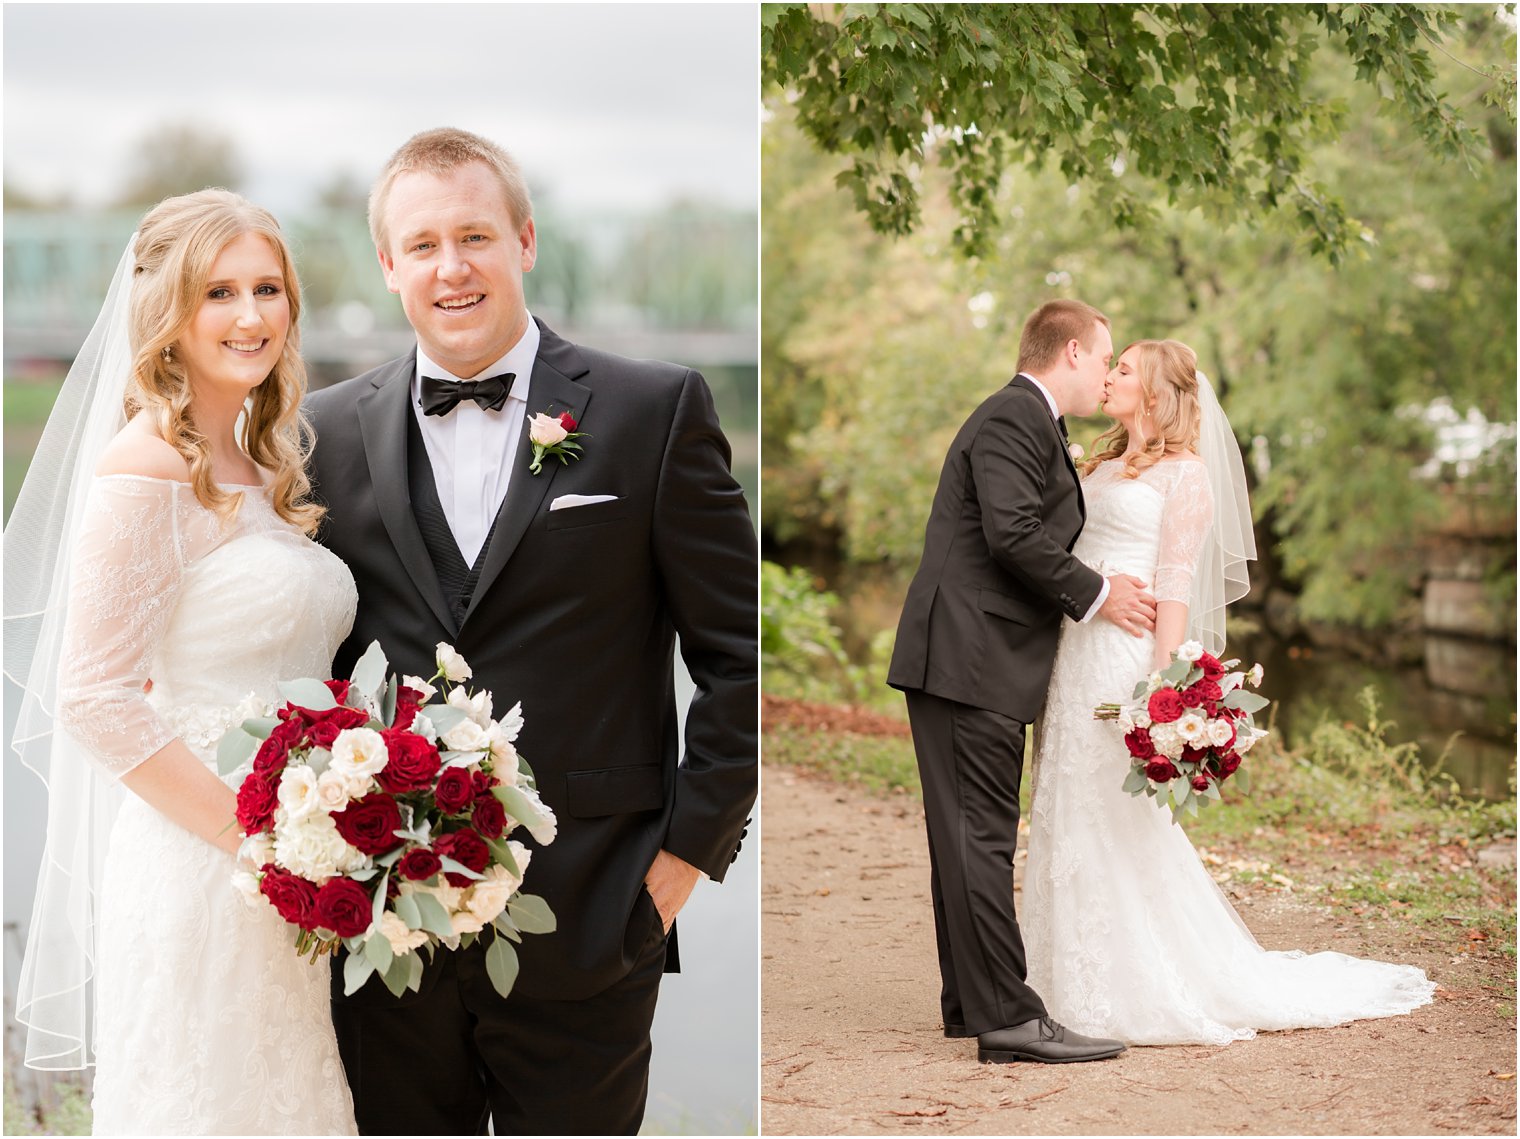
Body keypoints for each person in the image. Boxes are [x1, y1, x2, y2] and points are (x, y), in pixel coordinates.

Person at [305, 127, 757, 1135]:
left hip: (595, 911)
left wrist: (686, 854)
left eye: (474, 235)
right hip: (386, 924)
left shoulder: (653, 408)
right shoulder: (322, 433)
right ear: (387, 264)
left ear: (524, 239)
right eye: (421, 244)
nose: (451, 266)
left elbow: (738, 653)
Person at [5, 190, 358, 1134]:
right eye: (219, 293)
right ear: (168, 311)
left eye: (268, 288)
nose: (251, 316)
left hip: (290, 863)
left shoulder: (255, 456)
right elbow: (95, 696)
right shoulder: (148, 461)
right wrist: (262, 844)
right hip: (206, 860)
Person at [1022, 337, 1436, 1044]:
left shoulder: (1186, 477)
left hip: (1124, 656)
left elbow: (1176, 587)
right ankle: (1060, 976)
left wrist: (1158, 694)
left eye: (1123, 368)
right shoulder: (1097, 458)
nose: (1110, 374)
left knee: (1116, 813)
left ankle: (1132, 982)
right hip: (1075, 650)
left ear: (1155, 389)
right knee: (1067, 803)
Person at [886, 298, 1154, 1064]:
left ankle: (974, 1002)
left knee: (963, 836)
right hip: (970, 657)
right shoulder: (1012, 417)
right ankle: (1008, 1016)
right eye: (1103, 357)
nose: (1105, 372)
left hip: (970, 655)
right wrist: (1100, 592)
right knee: (980, 836)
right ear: (1070, 351)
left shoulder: (1033, 423)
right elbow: (1011, 532)